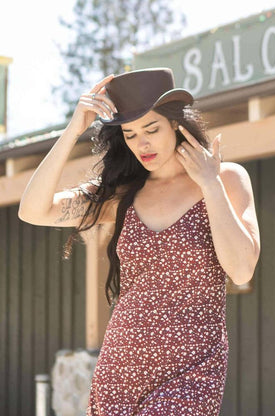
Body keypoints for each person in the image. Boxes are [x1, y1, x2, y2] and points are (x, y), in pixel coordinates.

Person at [18, 67, 260, 415]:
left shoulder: (226, 179)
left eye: (151, 129)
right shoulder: (121, 196)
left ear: (176, 124)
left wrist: (210, 184)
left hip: (191, 371)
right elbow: (33, 210)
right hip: (121, 369)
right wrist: (74, 130)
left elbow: (241, 269)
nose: (141, 143)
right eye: (130, 134)